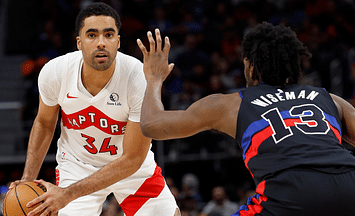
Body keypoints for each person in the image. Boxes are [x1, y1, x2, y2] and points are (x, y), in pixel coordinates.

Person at [137, 23, 355, 215]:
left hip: (289, 192)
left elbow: (151, 125)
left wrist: (154, 79)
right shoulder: (328, 98)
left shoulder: (232, 103)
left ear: (251, 67)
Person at [9, 3, 180, 216]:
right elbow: (44, 123)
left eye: (109, 35)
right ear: (79, 42)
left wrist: (67, 194)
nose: (101, 43)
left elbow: (133, 158)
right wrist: (27, 180)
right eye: (92, 35)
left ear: (118, 41)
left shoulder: (138, 77)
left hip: (130, 169)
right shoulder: (55, 72)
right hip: (78, 166)